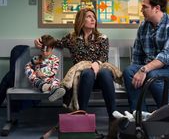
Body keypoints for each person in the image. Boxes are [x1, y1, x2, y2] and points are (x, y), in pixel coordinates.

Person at [34, 8, 118, 137]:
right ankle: (82, 116)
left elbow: (103, 57)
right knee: (87, 73)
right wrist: (40, 41)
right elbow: (54, 42)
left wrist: (96, 64)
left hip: (100, 77)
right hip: (82, 79)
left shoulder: (102, 38)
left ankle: (113, 118)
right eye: (89, 17)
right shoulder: (71, 38)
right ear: (80, 20)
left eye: (94, 17)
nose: (93, 19)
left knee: (105, 72)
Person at [123, 0, 169, 112]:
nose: (141, 10)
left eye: (144, 7)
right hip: (151, 69)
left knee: (154, 76)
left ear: (156, 8)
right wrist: (137, 72)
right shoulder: (143, 26)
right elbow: (137, 55)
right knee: (128, 72)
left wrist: (144, 70)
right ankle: (140, 117)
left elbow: (167, 56)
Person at [25, 34, 66, 102]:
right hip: (37, 79)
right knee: (28, 69)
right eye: (42, 50)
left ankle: (55, 90)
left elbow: (54, 72)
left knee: (56, 81)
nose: (44, 53)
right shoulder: (37, 58)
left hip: (49, 78)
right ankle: (47, 87)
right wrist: (34, 64)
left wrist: (44, 74)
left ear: (52, 48)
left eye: (47, 51)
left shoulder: (55, 59)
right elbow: (27, 66)